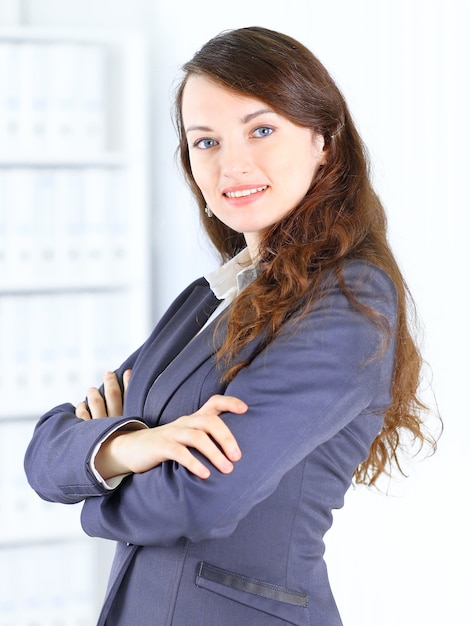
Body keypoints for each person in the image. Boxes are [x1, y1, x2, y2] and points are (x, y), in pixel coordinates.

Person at [24, 26, 437, 625]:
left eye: (261, 130)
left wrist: (96, 487)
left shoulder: (349, 300)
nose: (232, 164)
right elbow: (45, 450)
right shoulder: (212, 296)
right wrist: (135, 446)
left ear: (323, 139)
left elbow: (200, 500)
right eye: (206, 142)